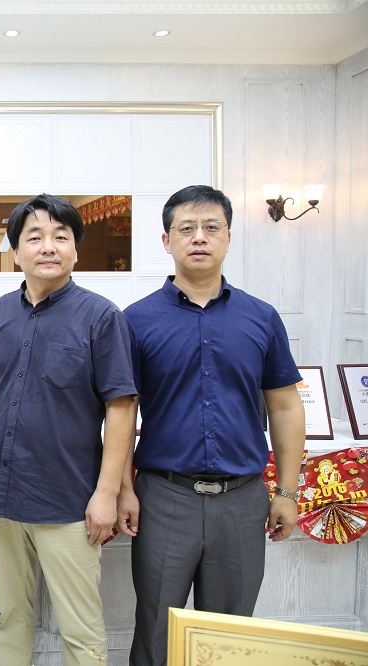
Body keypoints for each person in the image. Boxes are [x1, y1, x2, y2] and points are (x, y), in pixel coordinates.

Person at [118, 185, 305, 666]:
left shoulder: (261, 318)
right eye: (186, 228)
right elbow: (121, 412)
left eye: (211, 227)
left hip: (242, 501)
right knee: (156, 630)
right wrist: (124, 489)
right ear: (167, 241)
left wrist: (287, 491)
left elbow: (285, 406)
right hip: (165, 498)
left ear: (228, 237)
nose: (199, 237)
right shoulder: (135, 321)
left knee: (229, 638)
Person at [0, 194, 137, 666]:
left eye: (61, 237)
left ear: (75, 251)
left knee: (80, 628)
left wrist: (107, 493)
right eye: (35, 237)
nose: (48, 247)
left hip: (69, 502)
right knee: (7, 616)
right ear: (15, 252)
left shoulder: (101, 316)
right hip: (1, 498)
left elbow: (121, 407)